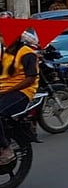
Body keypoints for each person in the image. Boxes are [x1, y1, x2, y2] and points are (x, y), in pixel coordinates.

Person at [0, 33, 38, 165]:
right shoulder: (4, 54)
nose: (3, 39)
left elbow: (30, 79)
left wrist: (6, 91)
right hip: (4, 91)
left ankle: (5, 148)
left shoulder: (26, 52)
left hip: (21, 92)